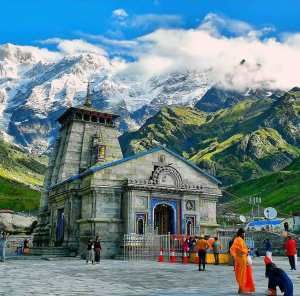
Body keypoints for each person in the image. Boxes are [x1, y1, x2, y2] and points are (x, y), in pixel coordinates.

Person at [230, 228, 255, 294]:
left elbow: (237, 249)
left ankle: (241, 289)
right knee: (242, 275)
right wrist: (244, 252)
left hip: (243, 259)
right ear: (241, 233)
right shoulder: (238, 239)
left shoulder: (239, 239)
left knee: (244, 274)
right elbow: (233, 249)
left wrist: (246, 251)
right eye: (244, 233)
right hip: (241, 260)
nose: (244, 234)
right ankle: (242, 289)